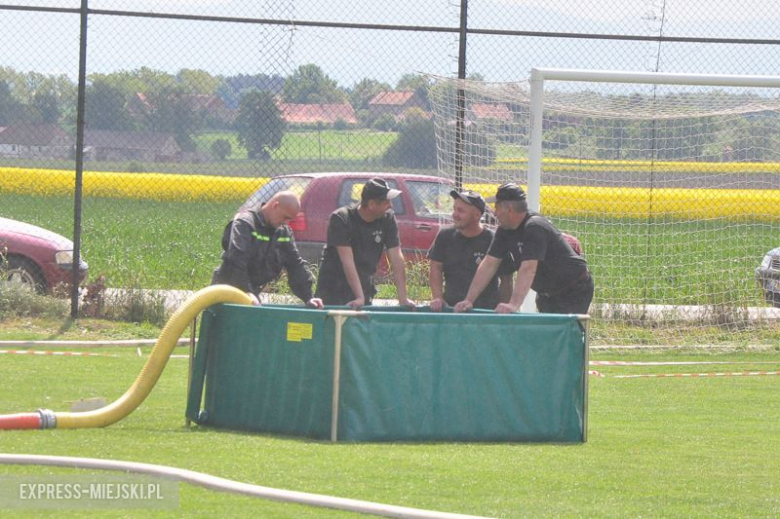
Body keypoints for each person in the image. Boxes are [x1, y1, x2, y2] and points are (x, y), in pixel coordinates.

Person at [454, 183, 593, 315]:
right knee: (548, 337)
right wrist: (469, 300)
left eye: (497, 208)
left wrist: (513, 305)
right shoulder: (504, 230)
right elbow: (489, 263)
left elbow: (528, 268)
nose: (494, 214)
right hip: (547, 294)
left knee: (565, 335)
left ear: (509, 210)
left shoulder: (534, 227)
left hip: (574, 289)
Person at [211, 190, 323, 308]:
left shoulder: (282, 232)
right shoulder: (245, 223)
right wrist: (245, 291)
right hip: (227, 292)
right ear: (275, 205)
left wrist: (308, 297)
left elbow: (295, 264)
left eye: (289, 220)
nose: (286, 223)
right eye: (285, 217)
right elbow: (236, 259)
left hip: (251, 294)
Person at [315, 178, 414, 309]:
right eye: (386, 202)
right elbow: (347, 261)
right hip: (333, 291)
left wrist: (403, 299)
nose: (391, 206)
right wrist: (359, 297)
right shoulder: (341, 218)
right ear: (372, 204)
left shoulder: (387, 218)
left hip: (363, 290)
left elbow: (396, 258)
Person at [428, 189, 513, 311]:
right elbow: (436, 266)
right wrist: (437, 297)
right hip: (451, 309)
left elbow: (507, 278)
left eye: (460, 211)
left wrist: (504, 310)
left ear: (477, 215)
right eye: (454, 209)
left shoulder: (494, 240)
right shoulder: (445, 236)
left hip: (485, 312)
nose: (454, 214)